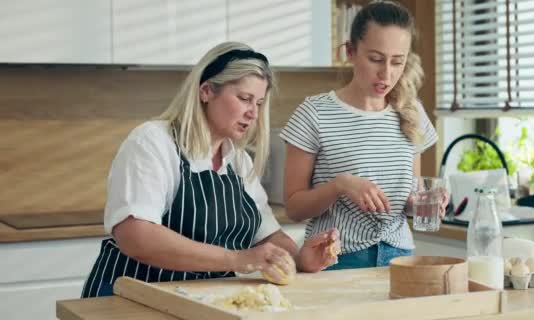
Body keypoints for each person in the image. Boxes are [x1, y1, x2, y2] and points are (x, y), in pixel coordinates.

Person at [82, 42, 339, 298]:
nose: (253, 114)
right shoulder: (153, 142)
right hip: (131, 300)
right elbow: (136, 236)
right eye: (244, 98)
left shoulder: (238, 161)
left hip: (200, 302)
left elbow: (266, 236)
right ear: (206, 91)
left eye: (259, 103)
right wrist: (236, 259)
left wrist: (299, 258)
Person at [280, 1, 445, 270]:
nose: (387, 73)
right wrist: (339, 185)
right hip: (335, 259)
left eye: (397, 61)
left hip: (400, 257)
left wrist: (424, 205)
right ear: (350, 51)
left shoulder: (411, 111)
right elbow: (294, 209)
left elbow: (408, 200)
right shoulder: (314, 113)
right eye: (376, 59)